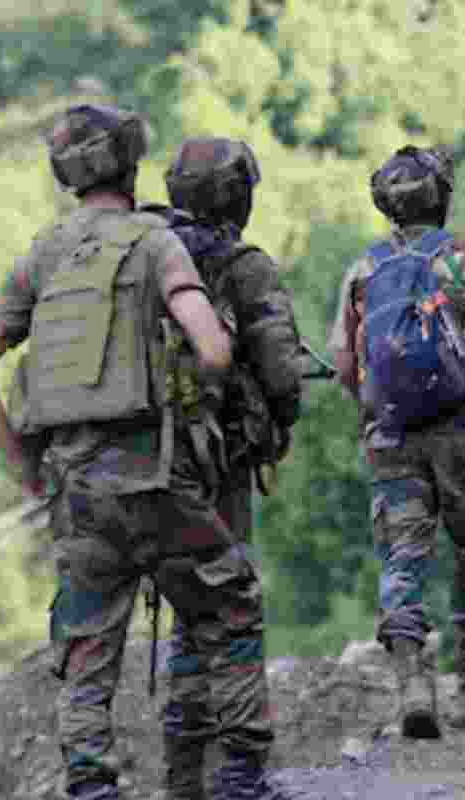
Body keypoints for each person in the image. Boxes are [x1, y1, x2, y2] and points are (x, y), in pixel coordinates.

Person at [0, 105, 278, 799]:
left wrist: (23, 465)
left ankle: (92, 785)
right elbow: (215, 349)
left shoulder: (43, 253)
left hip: (73, 487)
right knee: (229, 605)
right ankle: (243, 780)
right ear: (133, 165)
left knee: (87, 643)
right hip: (154, 476)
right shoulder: (155, 242)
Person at [325, 145, 465, 736]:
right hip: (464, 434)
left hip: (392, 437)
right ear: (443, 196)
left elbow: (343, 359)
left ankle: (412, 687)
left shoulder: (364, 269)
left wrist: (374, 407)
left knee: (402, 562)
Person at [146, 136, 304, 798]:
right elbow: (281, 373)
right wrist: (281, 421)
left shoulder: (141, 248)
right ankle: (242, 774)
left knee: (191, 608)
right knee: (231, 605)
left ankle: (184, 774)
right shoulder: (242, 265)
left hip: (132, 463)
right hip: (214, 467)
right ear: (237, 196)